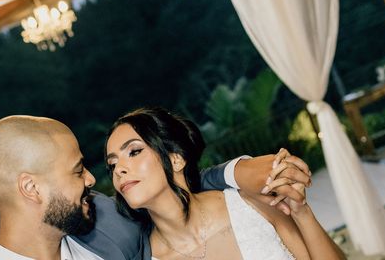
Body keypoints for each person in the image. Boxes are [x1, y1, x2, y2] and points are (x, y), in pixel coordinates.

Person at [0, 115, 311, 259]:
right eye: (77, 171)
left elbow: (169, 192)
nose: (91, 180)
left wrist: (238, 172)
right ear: (31, 188)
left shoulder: (103, 221)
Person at [105, 107, 346, 260]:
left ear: (175, 158)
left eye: (134, 152)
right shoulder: (150, 257)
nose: (119, 169)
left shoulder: (251, 204)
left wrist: (302, 213)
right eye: (112, 164)